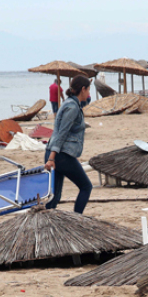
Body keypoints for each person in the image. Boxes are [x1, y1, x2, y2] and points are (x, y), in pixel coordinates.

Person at [44, 75, 93, 214]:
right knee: (86, 186)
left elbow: (86, 100)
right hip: (60, 155)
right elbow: (62, 133)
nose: (89, 93)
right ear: (83, 89)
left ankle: (45, 224)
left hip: (57, 153)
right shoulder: (72, 107)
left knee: (54, 197)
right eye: (88, 89)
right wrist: (51, 158)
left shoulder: (71, 103)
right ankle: (77, 219)